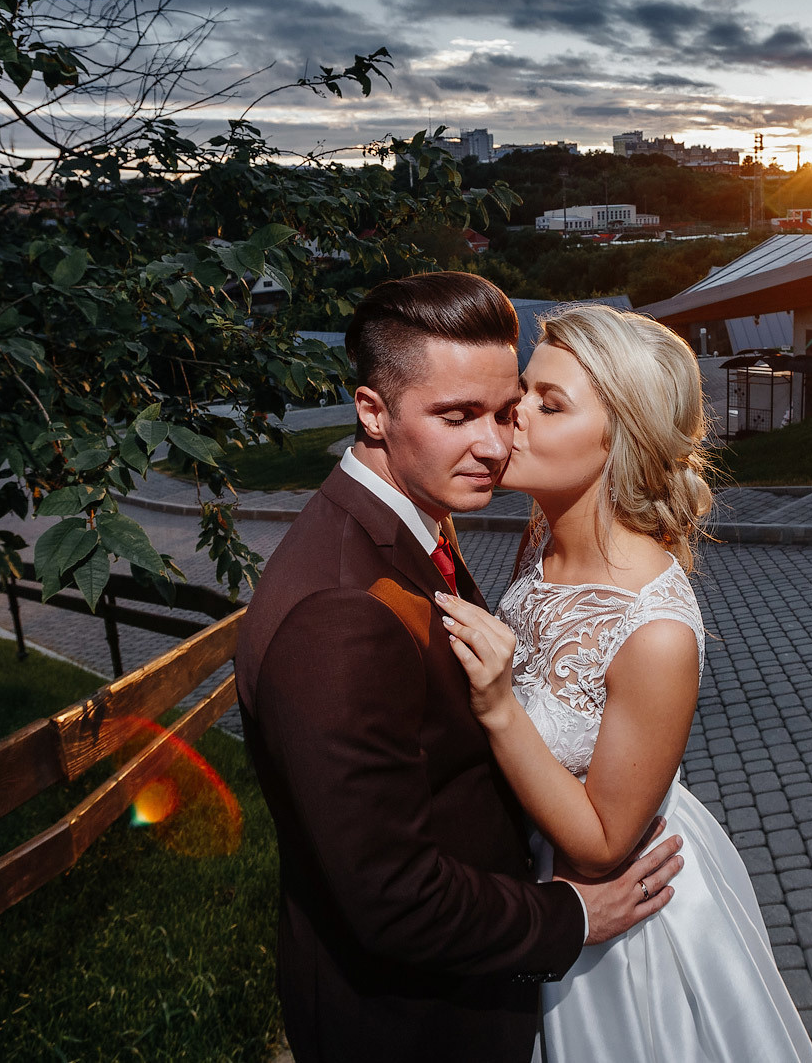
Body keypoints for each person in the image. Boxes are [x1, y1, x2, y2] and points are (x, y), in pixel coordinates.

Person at [235, 273, 684, 1063]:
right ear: (373, 411)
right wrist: (571, 918)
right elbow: (393, 895)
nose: (495, 442)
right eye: (456, 415)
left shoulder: (407, 529)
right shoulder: (344, 610)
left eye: (505, 409)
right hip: (415, 1023)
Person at [439, 303, 812, 1062]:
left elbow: (606, 844)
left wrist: (498, 706)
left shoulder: (657, 630)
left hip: (623, 928)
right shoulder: (542, 538)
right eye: (523, 395)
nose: (513, 421)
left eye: (550, 405)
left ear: (622, 438)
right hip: (535, 899)